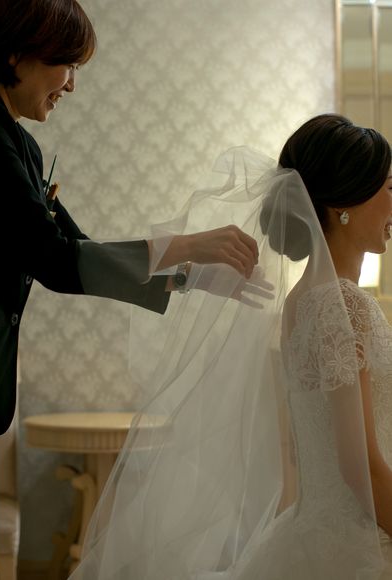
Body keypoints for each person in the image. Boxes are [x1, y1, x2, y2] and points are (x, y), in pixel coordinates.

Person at [0, 1, 263, 579]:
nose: (72, 85)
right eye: (67, 65)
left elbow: (75, 249)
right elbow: (57, 259)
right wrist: (189, 245)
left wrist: (194, 276)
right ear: (16, 54)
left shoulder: (15, 141)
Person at [70, 114, 392, 580]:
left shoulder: (302, 302)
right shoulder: (344, 306)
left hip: (319, 532)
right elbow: (358, 466)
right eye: (388, 187)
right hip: (360, 539)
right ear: (344, 203)